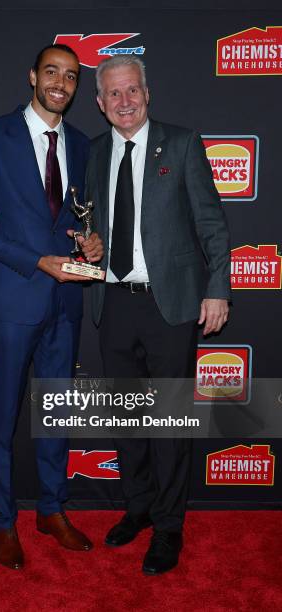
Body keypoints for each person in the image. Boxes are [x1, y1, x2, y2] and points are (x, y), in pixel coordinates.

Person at [0, 44, 103, 570]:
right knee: (2, 417)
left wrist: (90, 245)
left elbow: (77, 219)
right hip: (15, 299)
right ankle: (2, 520)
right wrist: (35, 260)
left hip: (67, 301)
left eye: (70, 76)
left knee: (56, 414)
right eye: (51, 72)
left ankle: (51, 509)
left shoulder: (83, 145)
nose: (60, 83)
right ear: (32, 77)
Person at [86, 56, 230, 575]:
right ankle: (139, 507)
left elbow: (212, 223)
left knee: (169, 423)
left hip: (171, 305)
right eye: (113, 94)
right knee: (126, 420)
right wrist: (89, 245)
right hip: (113, 301)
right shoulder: (96, 153)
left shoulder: (184, 143)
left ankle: (169, 527)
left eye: (132, 91)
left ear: (148, 94)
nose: (124, 102)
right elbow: (92, 224)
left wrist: (217, 289)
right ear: (100, 104)